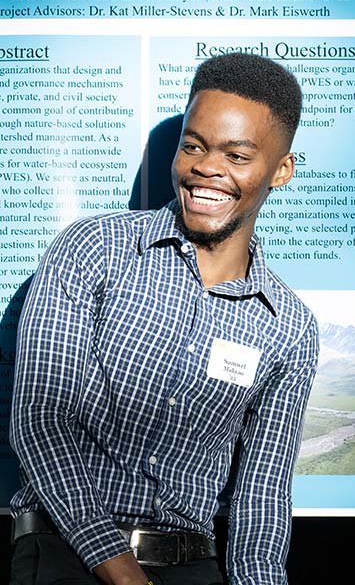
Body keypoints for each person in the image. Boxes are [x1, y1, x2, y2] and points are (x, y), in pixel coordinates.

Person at [10, 52, 318, 585]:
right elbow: (40, 420)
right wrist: (124, 572)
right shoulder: (93, 249)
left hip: (192, 565)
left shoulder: (290, 326)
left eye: (237, 155)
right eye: (193, 146)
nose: (207, 168)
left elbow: (262, 499)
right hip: (65, 554)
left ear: (281, 171)